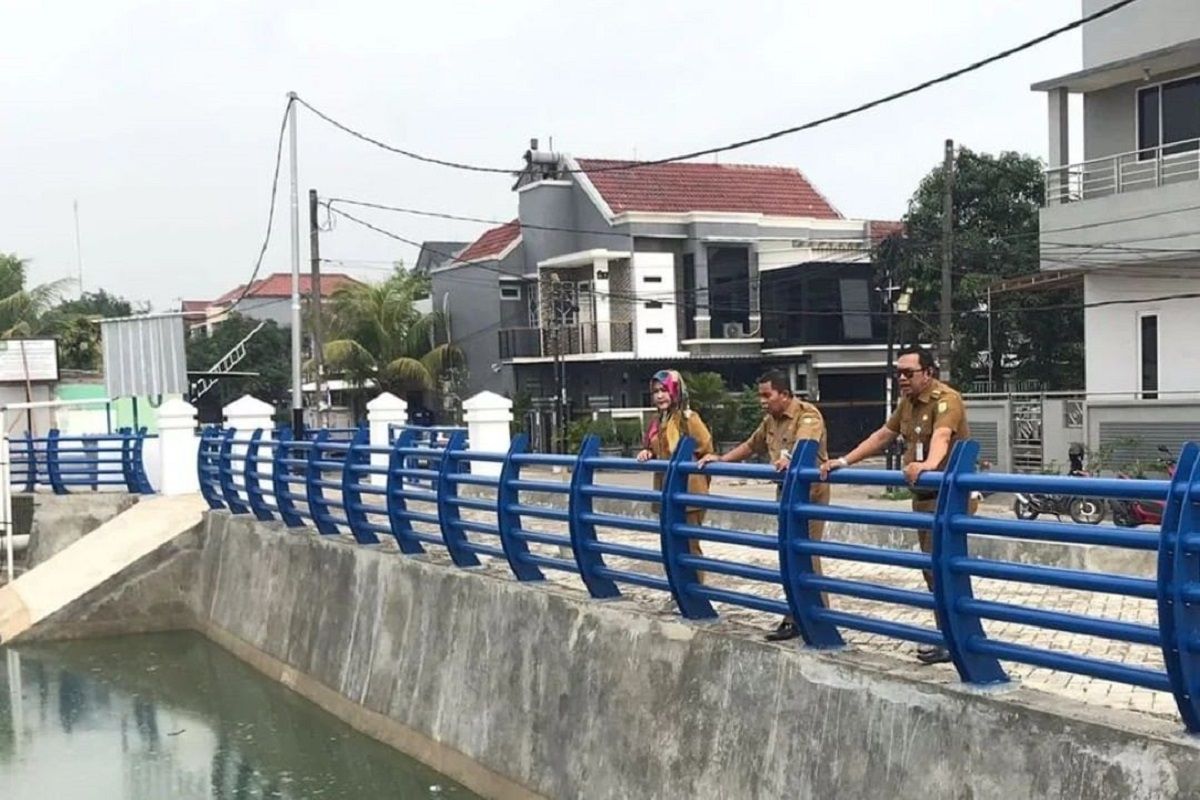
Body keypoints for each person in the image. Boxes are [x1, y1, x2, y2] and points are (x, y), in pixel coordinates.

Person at [819, 345, 972, 665]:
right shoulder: (907, 404)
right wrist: (843, 460)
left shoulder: (947, 399)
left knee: (943, 568)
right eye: (898, 373)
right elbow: (881, 436)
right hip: (924, 500)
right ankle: (953, 635)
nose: (902, 378)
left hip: (949, 498)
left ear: (928, 373)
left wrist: (928, 466)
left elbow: (943, 436)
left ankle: (958, 639)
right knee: (934, 570)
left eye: (908, 373)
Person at [697, 370, 830, 642]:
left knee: (807, 556)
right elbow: (751, 445)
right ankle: (794, 617)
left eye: (767, 395)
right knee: (787, 555)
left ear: (784, 394)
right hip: (785, 494)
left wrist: (788, 459)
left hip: (810, 496)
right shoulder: (770, 420)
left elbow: (805, 443)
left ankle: (820, 619)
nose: (762, 401)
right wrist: (721, 460)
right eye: (761, 395)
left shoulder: (807, 415)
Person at [636, 370, 713, 580]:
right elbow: (653, 447)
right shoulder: (657, 422)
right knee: (670, 545)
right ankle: (678, 590)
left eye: (664, 390)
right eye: (656, 392)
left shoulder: (688, 419)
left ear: (675, 391)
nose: (659, 396)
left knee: (689, 545)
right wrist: (648, 452)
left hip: (689, 494)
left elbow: (706, 447)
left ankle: (696, 591)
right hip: (665, 490)